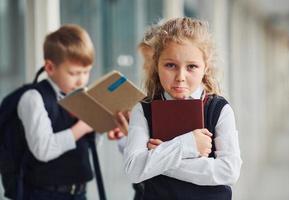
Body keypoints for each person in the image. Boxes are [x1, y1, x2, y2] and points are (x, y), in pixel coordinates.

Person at [123, 17, 242, 200]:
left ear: (205, 67)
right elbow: (133, 170)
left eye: (191, 67)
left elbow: (229, 171)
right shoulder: (143, 110)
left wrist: (161, 156)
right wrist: (188, 144)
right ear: (157, 64)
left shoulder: (219, 109)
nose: (180, 76)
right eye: (170, 65)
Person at [17, 24, 123, 200]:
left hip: (79, 192)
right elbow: (43, 150)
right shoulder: (34, 98)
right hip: (44, 194)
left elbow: (90, 146)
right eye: (74, 73)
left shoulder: (82, 96)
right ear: (50, 68)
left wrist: (101, 126)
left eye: (86, 72)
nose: (81, 79)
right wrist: (83, 126)